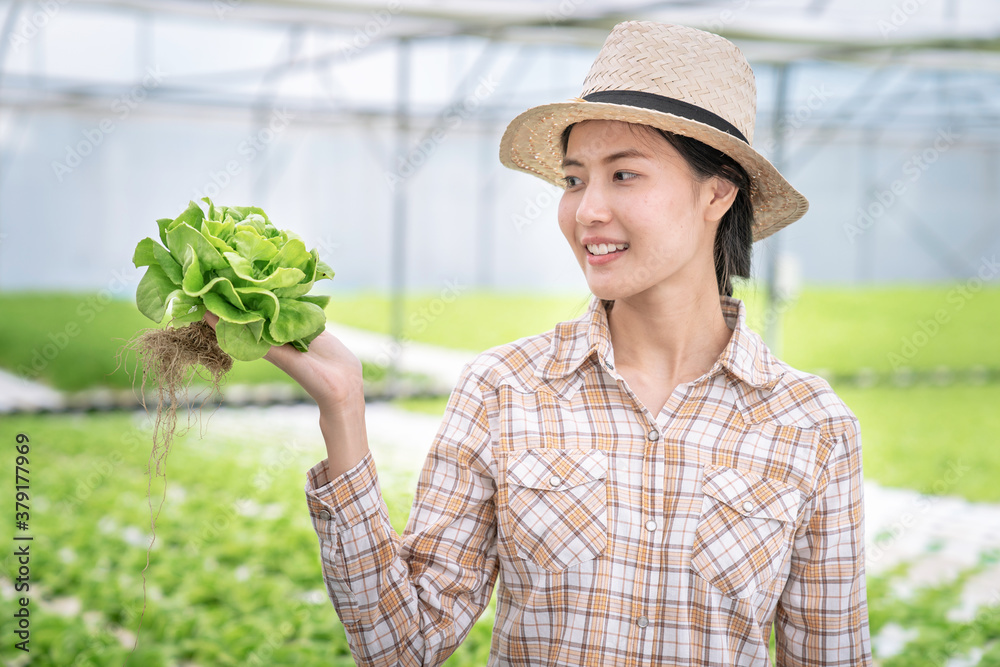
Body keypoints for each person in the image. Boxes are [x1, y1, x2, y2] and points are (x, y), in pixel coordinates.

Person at [234, 20, 871, 666]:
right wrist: (343, 407)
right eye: (574, 179)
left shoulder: (812, 428)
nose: (586, 209)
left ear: (718, 192)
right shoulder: (504, 390)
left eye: (623, 175)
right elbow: (401, 648)